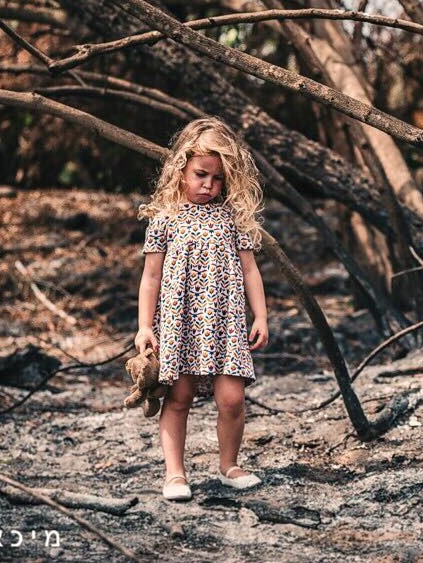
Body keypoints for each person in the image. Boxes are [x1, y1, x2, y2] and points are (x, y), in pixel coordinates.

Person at [134, 116, 269, 501]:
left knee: (232, 399)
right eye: (200, 174)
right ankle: (175, 474)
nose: (208, 185)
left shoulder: (233, 219)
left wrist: (260, 315)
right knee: (178, 399)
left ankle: (229, 465)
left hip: (225, 325)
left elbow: (250, 270)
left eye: (219, 178)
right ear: (180, 169)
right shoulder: (165, 220)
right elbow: (150, 279)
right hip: (179, 324)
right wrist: (145, 327)